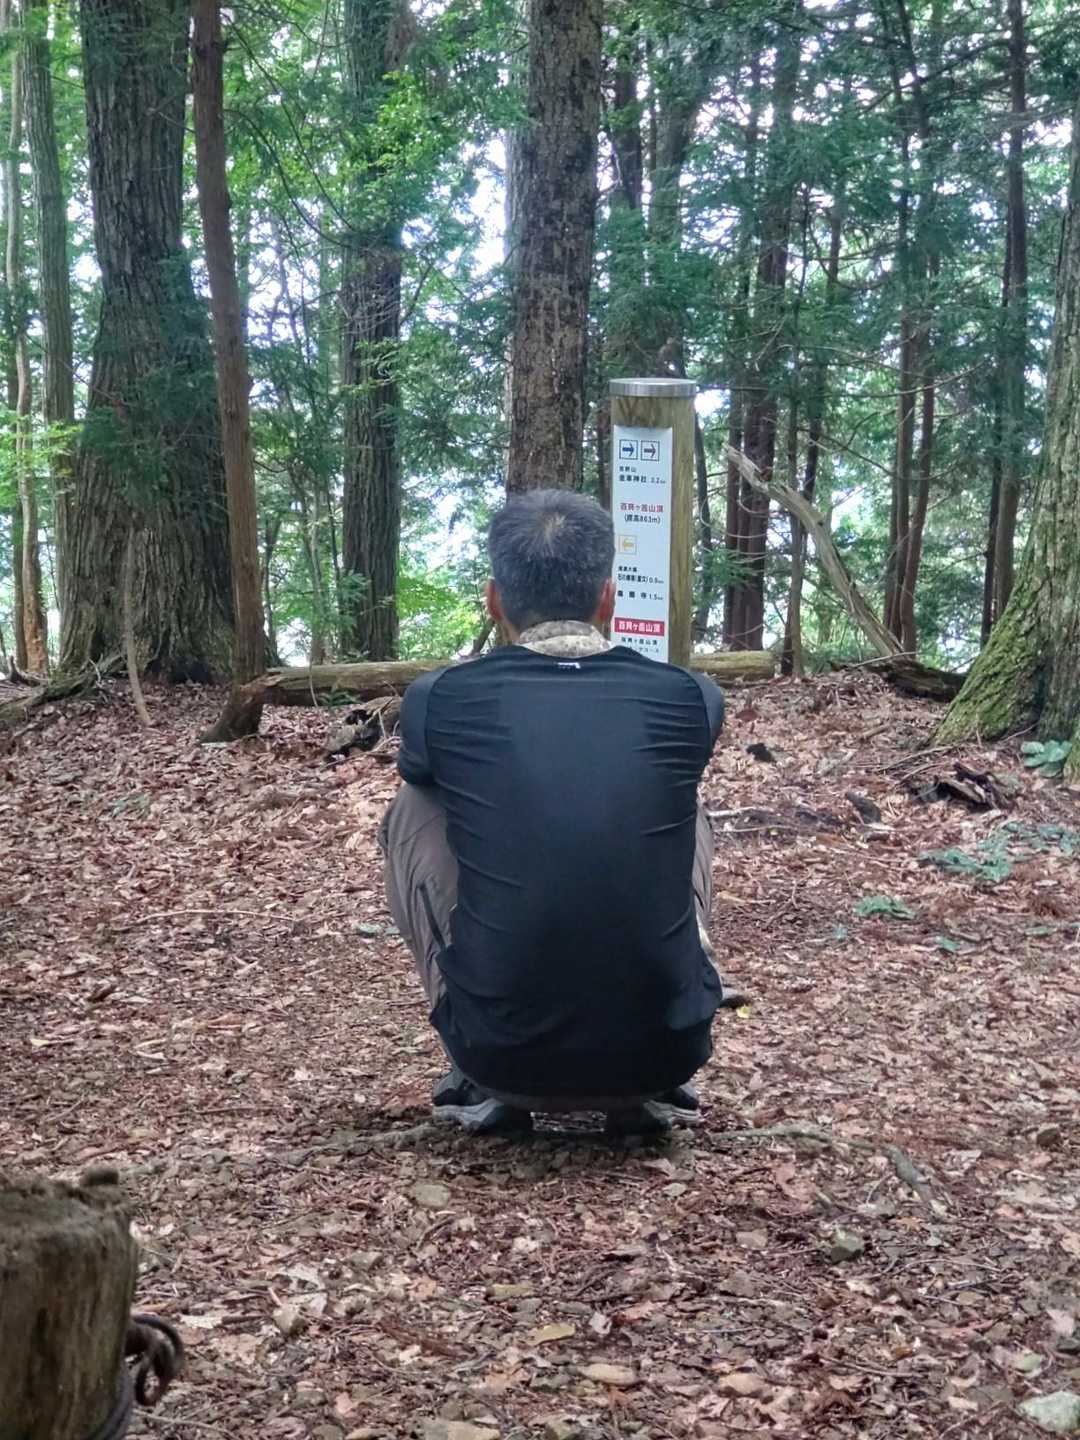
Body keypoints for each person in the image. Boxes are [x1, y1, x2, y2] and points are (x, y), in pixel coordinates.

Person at [378, 489, 741, 1136]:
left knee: (413, 805)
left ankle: (476, 1046)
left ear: (494, 600)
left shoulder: (440, 699)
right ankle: (654, 1046)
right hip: (664, 1052)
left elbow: (435, 786)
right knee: (680, 804)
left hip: (497, 1054)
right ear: (608, 598)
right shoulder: (691, 698)